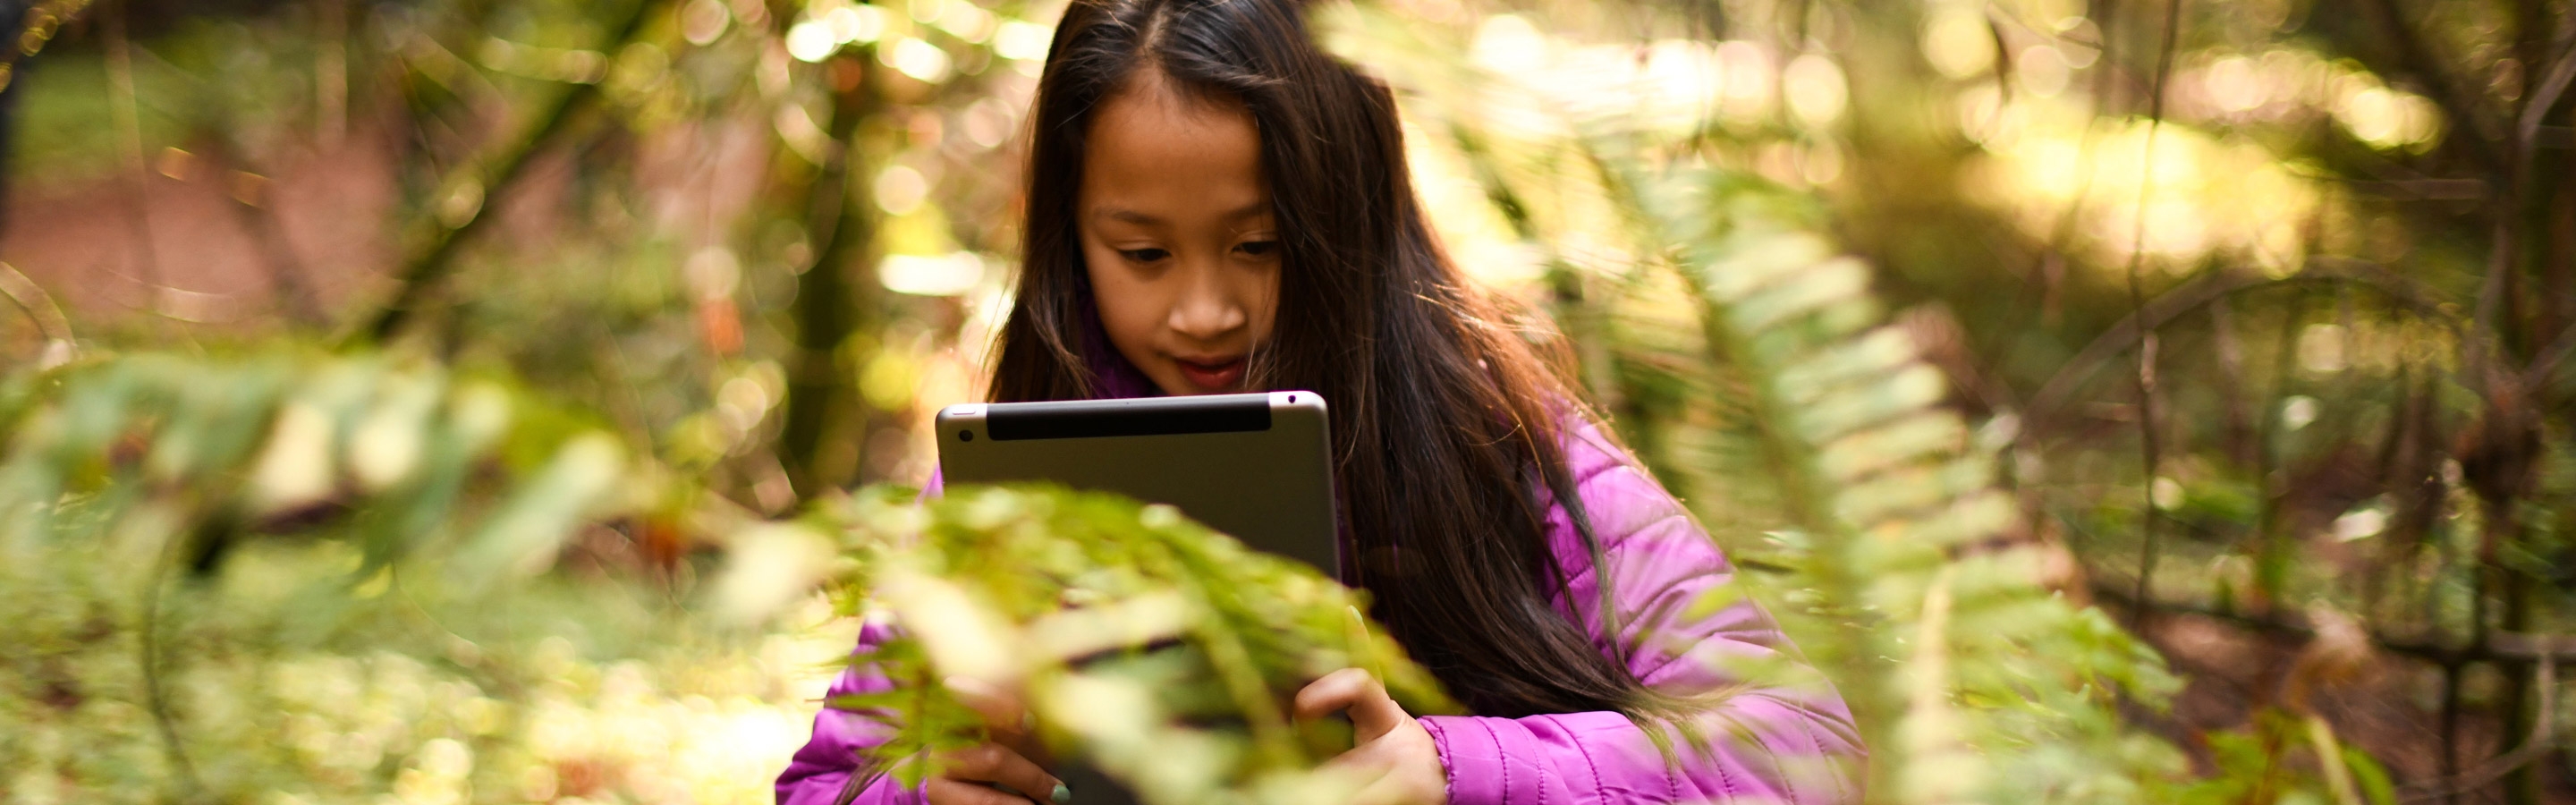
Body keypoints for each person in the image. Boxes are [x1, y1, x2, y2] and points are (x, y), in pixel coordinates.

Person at [776, 0, 1865, 802]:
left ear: (1348, 215)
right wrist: (921, 790)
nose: (1204, 311)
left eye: (1260, 245)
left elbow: (1807, 745)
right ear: (1071, 240)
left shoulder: (1503, 443)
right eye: (1142, 252)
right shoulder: (998, 491)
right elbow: (824, 786)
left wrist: (1452, 771)